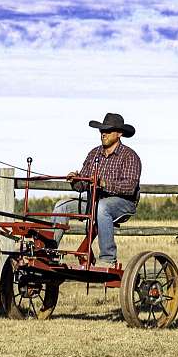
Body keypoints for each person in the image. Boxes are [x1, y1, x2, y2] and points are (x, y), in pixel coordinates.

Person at [51, 113, 141, 266]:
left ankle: (108, 258)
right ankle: (49, 251)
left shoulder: (130, 156)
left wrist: (104, 183)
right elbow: (83, 186)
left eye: (108, 130)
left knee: (102, 207)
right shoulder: (94, 154)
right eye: (101, 130)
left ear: (119, 134)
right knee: (62, 205)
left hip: (123, 203)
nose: (103, 134)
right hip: (94, 200)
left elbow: (129, 187)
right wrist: (76, 180)